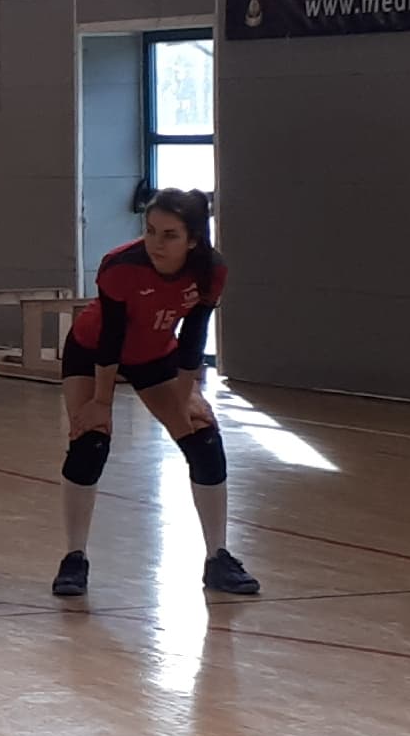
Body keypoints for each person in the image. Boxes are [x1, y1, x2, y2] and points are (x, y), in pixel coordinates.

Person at [54, 188, 258, 597]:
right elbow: (111, 337)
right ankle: (74, 558)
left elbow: (194, 335)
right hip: (93, 351)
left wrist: (185, 395)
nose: (155, 243)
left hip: (154, 354)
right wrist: (101, 403)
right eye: (150, 231)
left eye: (169, 235)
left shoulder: (210, 270)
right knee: (90, 442)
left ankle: (218, 558)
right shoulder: (121, 266)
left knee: (203, 437)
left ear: (193, 239)